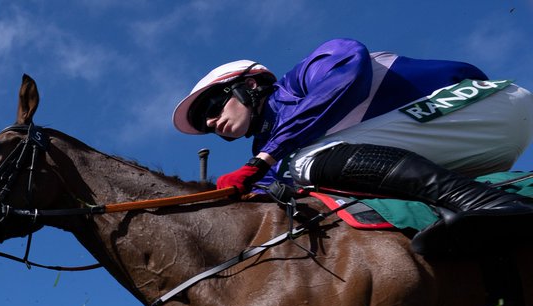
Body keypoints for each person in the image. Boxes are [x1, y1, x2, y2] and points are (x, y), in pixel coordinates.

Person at [172, 38, 533, 253]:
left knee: (304, 161)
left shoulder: (304, 75)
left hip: (485, 105)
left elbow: (348, 73)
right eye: (205, 125)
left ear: (249, 85)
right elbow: (261, 198)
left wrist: (264, 160)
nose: (211, 123)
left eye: (211, 107)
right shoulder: (272, 152)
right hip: (473, 145)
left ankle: (488, 203)